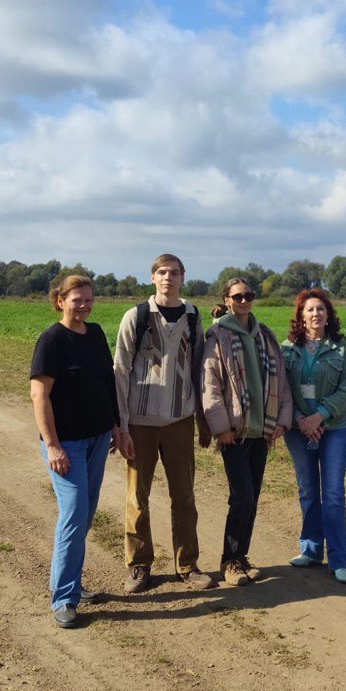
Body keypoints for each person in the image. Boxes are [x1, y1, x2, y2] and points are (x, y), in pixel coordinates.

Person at [30, 273, 133, 628]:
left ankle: (72, 583)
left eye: (89, 299)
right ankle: (63, 598)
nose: (85, 305)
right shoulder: (51, 341)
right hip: (67, 444)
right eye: (77, 299)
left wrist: (118, 429)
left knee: (85, 514)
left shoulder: (96, 334)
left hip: (98, 438)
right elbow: (39, 396)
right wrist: (53, 445)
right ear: (59, 300)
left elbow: (108, 386)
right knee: (73, 514)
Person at [113, 253, 215, 592]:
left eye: (174, 272)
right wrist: (122, 425)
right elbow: (120, 371)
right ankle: (139, 565)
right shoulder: (136, 317)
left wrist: (203, 419)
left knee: (184, 496)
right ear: (152, 277)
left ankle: (188, 565)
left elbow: (202, 369)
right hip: (139, 423)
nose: (168, 278)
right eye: (162, 272)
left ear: (183, 277)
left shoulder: (192, 317)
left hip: (180, 421)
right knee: (136, 497)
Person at [201, 278, 293, 587]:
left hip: (261, 431)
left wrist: (281, 420)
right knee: (241, 496)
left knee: (252, 498)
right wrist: (220, 427)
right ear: (227, 300)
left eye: (248, 296)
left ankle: (242, 558)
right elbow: (210, 385)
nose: (243, 301)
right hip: (235, 432)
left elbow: (280, 380)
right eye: (237, 296)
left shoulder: (264, 334)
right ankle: (229, 561)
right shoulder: (218, 336)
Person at [281, 287, 346, 583]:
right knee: (308, 491)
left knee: (334, 494)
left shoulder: (340, 347)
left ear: (328, 315)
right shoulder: (287, 348)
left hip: (335, 428)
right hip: (299, 430)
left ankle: (339, 559)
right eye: (310, 309)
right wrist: (301, 419)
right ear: (301, 315)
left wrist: (320, 415)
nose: (316, 314)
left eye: (321, 309)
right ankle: (311, 550)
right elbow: (282, 389)